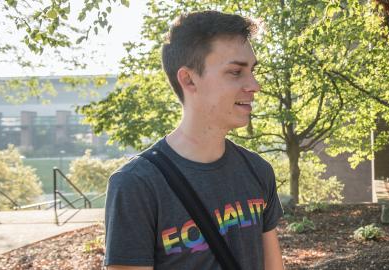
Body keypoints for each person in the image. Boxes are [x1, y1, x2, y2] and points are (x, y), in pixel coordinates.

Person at [104, 11, 284, 270]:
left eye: (252, 71)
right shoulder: (136, 184)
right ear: (188, 79)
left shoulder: (257, 171)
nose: (254, 85)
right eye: (235, 72)